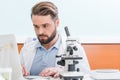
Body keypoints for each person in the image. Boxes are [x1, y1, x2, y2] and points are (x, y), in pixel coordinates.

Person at [20, 1, 90, 78]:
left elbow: (87, 77)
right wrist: (19, 73)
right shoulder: (27, 48)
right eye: (36, 26)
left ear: (57, 23)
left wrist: (64, 73)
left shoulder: (74, 49)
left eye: (45, 26)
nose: (40, 32)